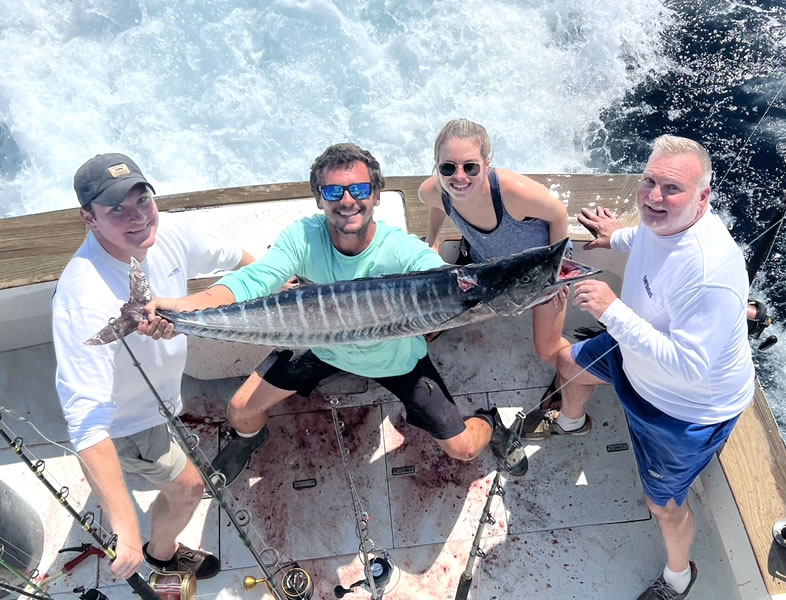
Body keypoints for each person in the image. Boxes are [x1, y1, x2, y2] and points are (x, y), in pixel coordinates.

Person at [138, 142, 529, 484]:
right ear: (319, 197)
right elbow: (253, 280)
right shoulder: (303, 237)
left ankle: (490, 422)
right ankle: (250, 439)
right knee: (239, 412)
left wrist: (514, 292)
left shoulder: (401, 249)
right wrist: (183, 310)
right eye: (334, 190)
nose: (347, 201)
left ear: (376, 196)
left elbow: (449, 280)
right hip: (322, 345)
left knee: (463, 449)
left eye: (359, 189)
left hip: (395, 362)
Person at [531, 135, 754, 599]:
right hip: (634, 358)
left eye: (671, 189)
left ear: (703, 198)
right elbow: (647, 237)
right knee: (570, 360)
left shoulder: (712, 271)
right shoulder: (661, 223)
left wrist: (612, 311)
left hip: (682, 412)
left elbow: (689, 367)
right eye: (649, 181)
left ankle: (679, 578)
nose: (654, 197)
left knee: (663, 505)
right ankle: (572, 423)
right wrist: (615, 236)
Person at [52, 153, 255, 581]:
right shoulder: (81, 299)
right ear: (88, 218)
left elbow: (234, 256)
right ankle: (161, 553)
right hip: (130, 421)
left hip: (165, 395)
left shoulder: (165, 233)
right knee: (190, 488)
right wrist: (125, 526)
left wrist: (279, 289)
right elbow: (87, 422)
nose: (138, 217)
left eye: (142, 198)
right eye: (117, 209)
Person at [418, 118, 570, 369]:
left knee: (548, 350)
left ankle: (578, 373)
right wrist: (433, 241)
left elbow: (559, 214)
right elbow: (437, 203)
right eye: (447, 168)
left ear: (487, 164)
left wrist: (555, 271)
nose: (459, 177)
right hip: (487, 266)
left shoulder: (513, 193)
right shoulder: (431, 191)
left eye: (470, 167)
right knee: (426, 320)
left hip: (539, 268)